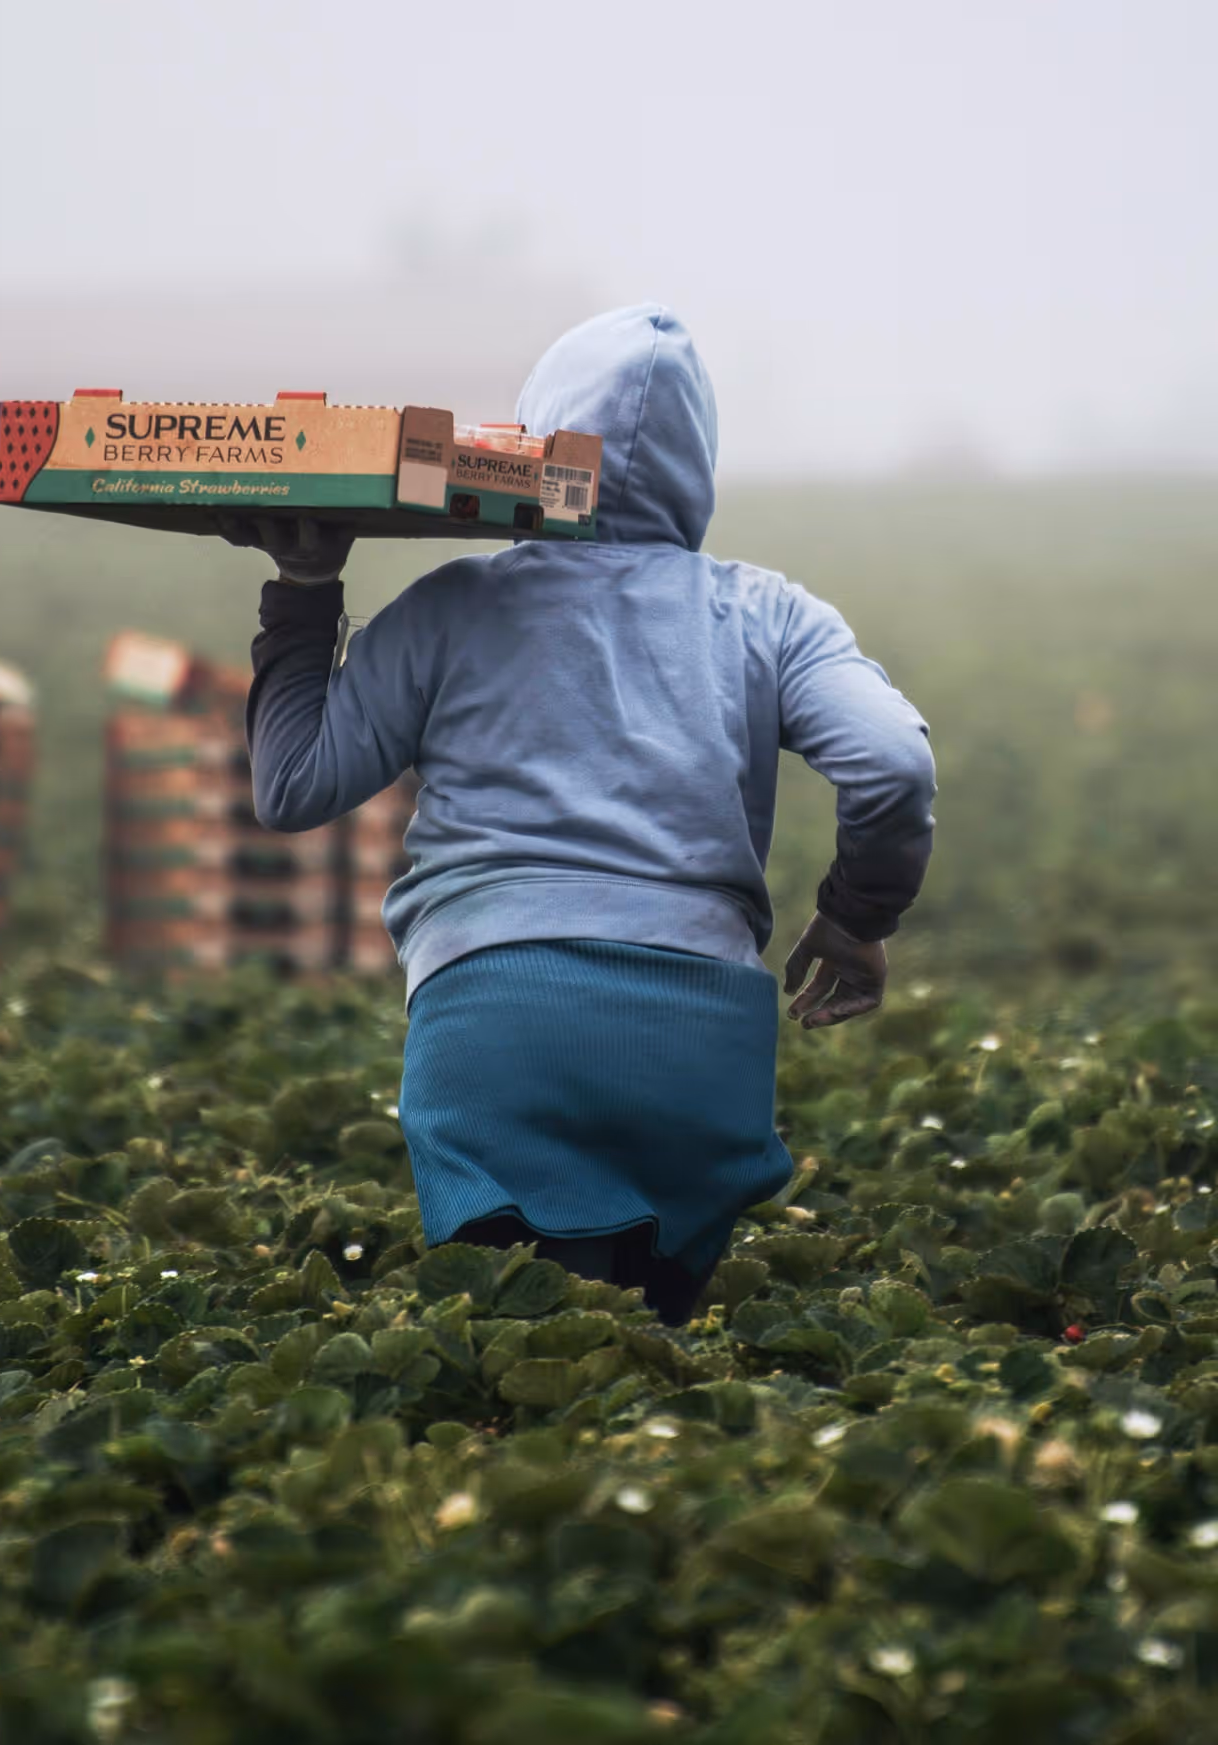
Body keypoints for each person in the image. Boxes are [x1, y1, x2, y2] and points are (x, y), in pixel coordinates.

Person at [222, 304, 935, 1325]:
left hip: (493, 1021)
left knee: (521, 1363)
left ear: (531, 443)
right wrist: (857, 915)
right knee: (652, 1376)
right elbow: (892, 761)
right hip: (700, 1041)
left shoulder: (450, 605)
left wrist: (303, 586)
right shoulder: (771, 613)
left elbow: (292, 785)